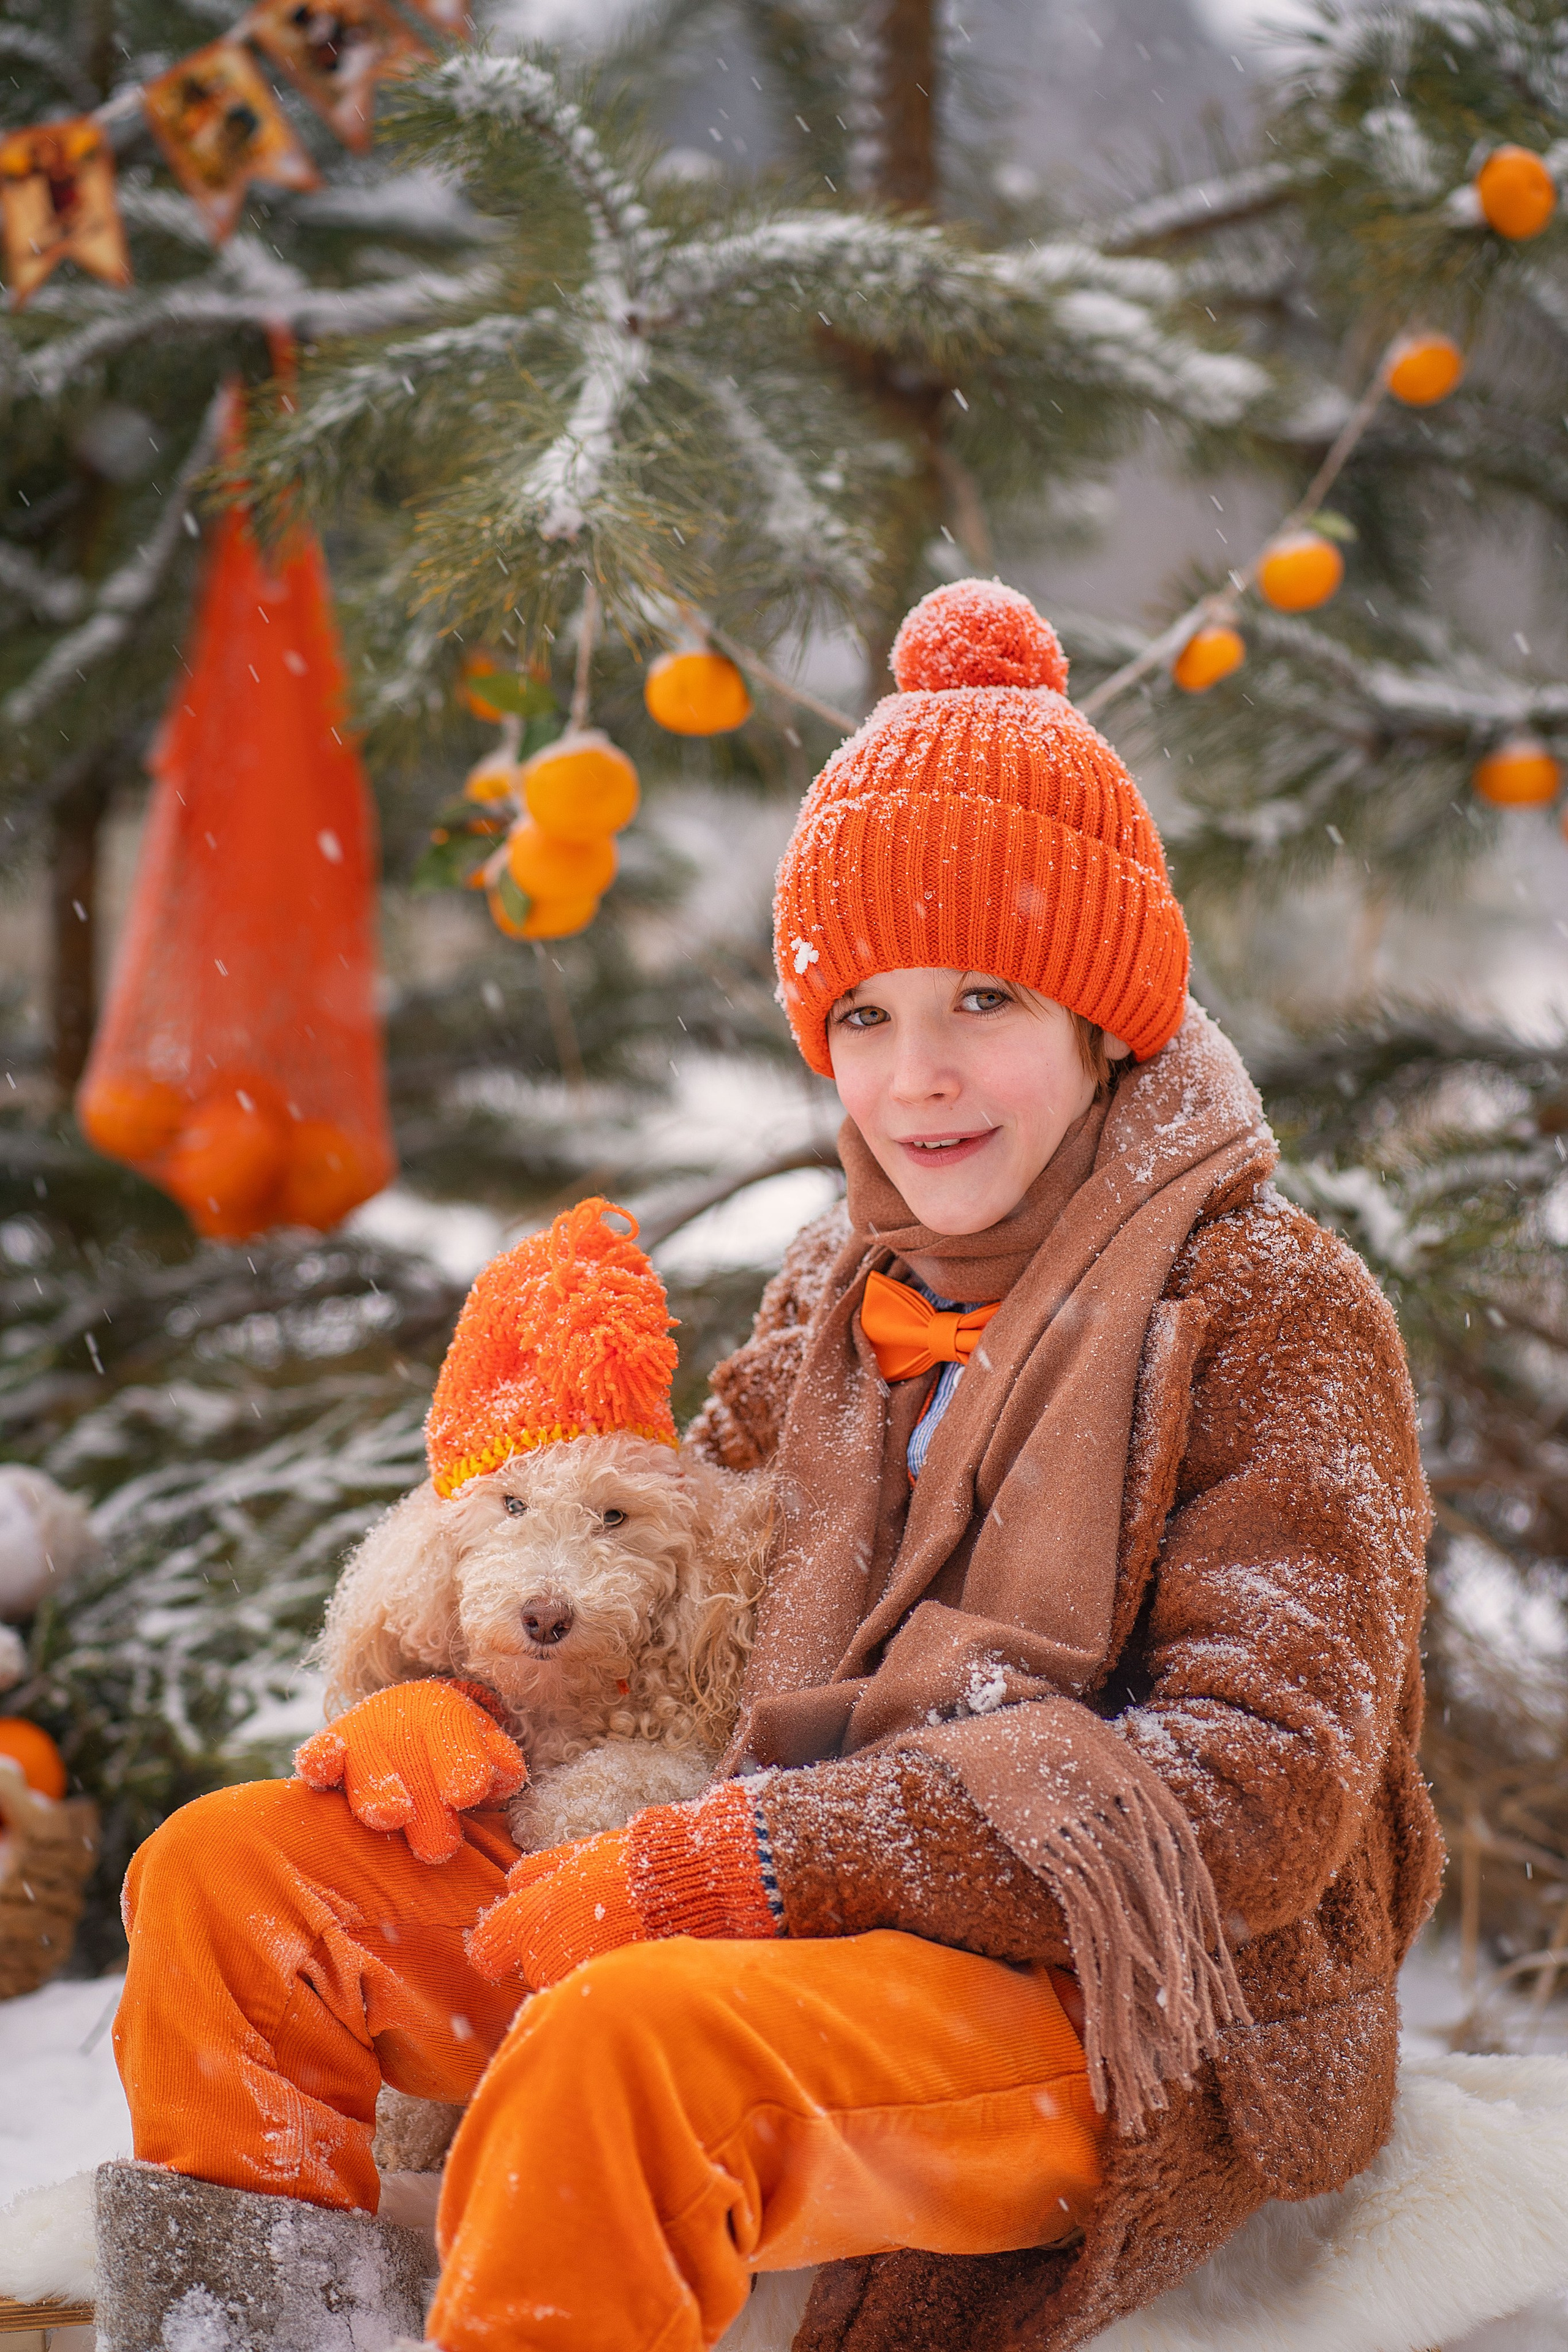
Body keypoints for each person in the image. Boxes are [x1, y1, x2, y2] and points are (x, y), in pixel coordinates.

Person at [112, 579, 1441, 2352]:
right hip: (775, 1885)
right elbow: (666, 1581)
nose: (921, 1077)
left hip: (1113, 2008)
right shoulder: (842, 1282)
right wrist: (466, 1695)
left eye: (986, 998)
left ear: (1106, 1018)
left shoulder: (1271, 1311)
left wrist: (763, 1864)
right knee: (229, 1882)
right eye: (866, 1016)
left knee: (626, 2047)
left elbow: (1253, 1808)